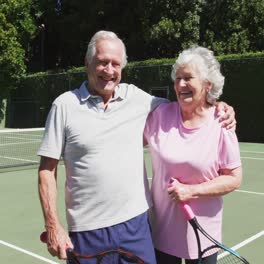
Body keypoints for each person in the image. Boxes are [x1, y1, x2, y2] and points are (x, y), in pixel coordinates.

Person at [37, 31, 236, 264]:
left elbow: (187, 105)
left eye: (115, 64)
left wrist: (219, 105)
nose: (109, 70)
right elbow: (46, 171)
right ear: (87, 63)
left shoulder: (138, 99)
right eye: (102, 62)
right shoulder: (64, 106)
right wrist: (53, 225)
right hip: (87, 231)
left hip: (137, 227)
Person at [143, 46, 243, 264]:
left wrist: (192, 191)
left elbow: (234, 178)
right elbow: (129, 142)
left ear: (207, 85)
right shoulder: (160, 115)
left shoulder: (221, 122)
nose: (180, 85)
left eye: (188, 78)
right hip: (161, 234)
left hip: (204, 237)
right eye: (177, 78)